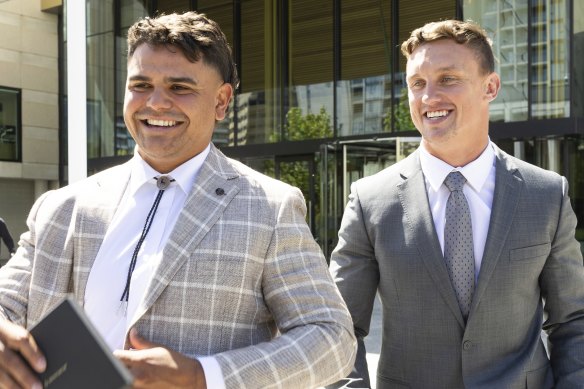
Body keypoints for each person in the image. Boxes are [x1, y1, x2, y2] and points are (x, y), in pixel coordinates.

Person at [0, 11, 356, 389]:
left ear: (221, 102)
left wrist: (204, 376)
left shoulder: (269, 208)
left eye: (179, 88)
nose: (155, 103)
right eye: (140, 85)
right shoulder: (61, 207)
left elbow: (331, 339)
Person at [329, 19, 584, 388]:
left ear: (490, 86)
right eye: (417, 84)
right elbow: (340, 327)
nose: (429, 97)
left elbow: (573, 320)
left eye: (447, 78)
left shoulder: (546, 195)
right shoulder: (370, 200)